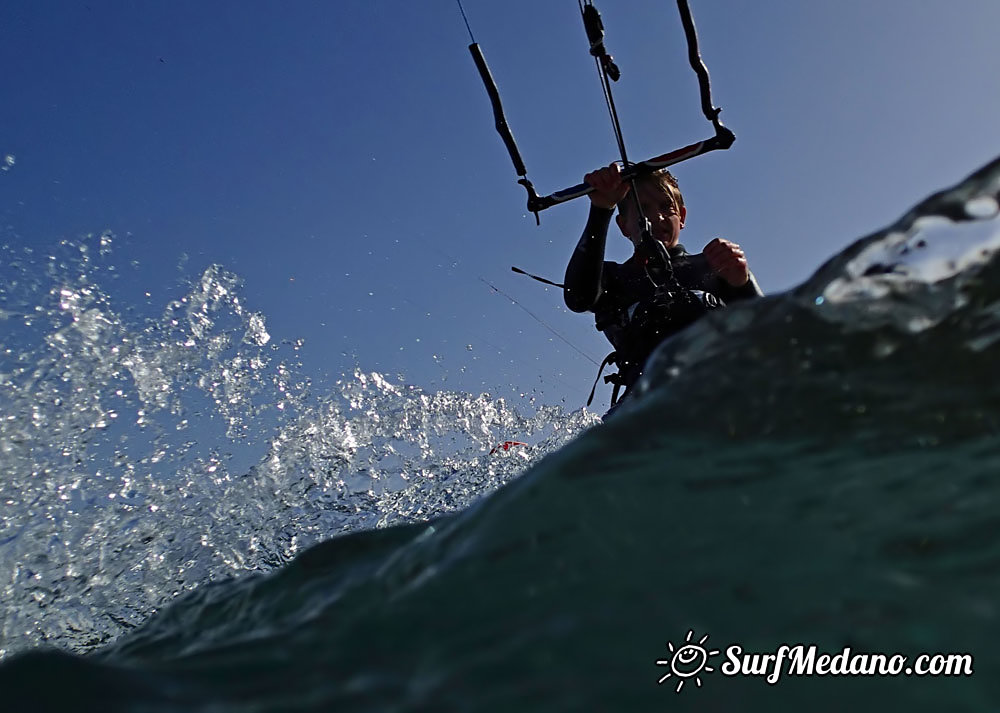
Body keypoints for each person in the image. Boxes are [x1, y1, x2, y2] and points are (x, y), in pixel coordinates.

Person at [563, 162, 763, 414]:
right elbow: (577, 298)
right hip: (645, 411)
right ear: (624, 226)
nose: (656, 217)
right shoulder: (611, 279)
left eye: (666, 207)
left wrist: (742, 281)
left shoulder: (715, 265)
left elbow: (769, 334)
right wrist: (601, 209)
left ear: (682, 217)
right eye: (642, 209)